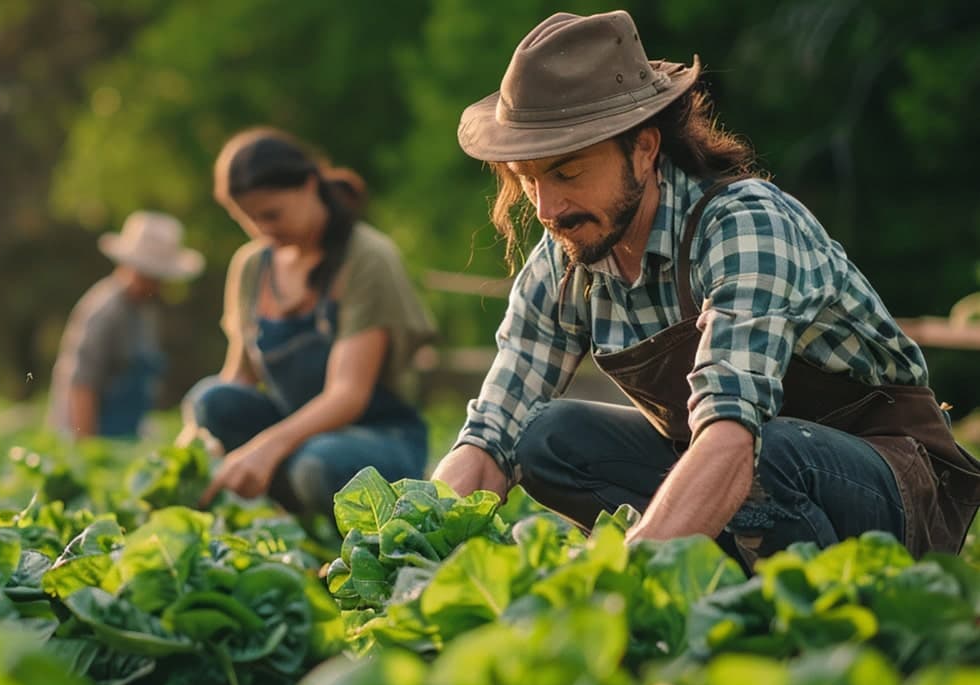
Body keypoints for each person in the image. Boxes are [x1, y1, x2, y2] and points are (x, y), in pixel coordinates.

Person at [432, 10, 980, 563]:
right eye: (531, 181)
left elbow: (731, 438)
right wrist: (409, 547)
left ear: (644, 150)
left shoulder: (744, 225)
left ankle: (747, 585)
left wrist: (618, 578)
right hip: (733, 481)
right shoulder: (570, 256)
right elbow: (490, 433)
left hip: (887, 485)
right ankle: (720, 570)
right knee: (542, 435)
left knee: (765, 450)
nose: (548, 210)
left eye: (568, 173)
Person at [181, 127, 436, 517]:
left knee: (319, 465)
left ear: (309, 184)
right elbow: (240, 375)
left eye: (271, 214)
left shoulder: (367, 257)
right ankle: (295, 508)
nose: (261, 230)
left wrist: (265, 448)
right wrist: (191, 446)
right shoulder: (252, 266)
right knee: (210, 400)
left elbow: (347, 395)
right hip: (294, 434)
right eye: (247, 219)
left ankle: (351, 526)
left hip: (376, 436)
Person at [49, 211, 204, 439]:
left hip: (125, 433)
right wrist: (87, 449)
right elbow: (82, 385)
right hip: (90, 433)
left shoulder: (144, 310)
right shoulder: (104, 310)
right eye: (151, 275)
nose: (158, 284)